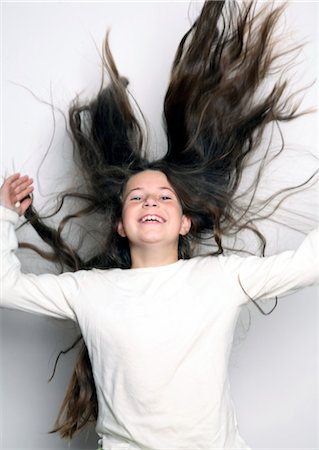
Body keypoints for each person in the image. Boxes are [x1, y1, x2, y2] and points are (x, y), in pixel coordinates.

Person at [1, 1, 318, 449]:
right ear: (121, 227)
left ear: (185, 222)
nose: (151, 200)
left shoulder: (222, 278)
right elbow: (5, 287)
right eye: (137, 197)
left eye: (164, 196)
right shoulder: (90, 290)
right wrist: (4, 214)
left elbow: (308, 263)